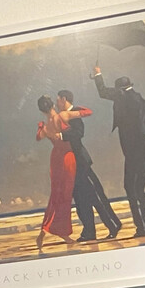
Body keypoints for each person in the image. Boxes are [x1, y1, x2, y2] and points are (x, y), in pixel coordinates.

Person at [92, 67, 145, 237]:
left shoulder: (123, 97)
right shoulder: (140, 99)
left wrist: (98, 74)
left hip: (134, 152)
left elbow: (103, 92)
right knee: (137, 189)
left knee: (132, 188)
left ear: (120, 90)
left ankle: (143, 228)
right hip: (143, 151)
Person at [55, 88, 121, 243]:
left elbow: (79, 133)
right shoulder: (67, 114)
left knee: (94, 195)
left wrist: (62, 135)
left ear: (64, 99)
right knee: (80, 198)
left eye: (58, 99)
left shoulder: (74, 113)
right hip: (73, 164)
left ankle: (112, 225)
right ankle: (89, 231)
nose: (57, 103)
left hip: (80, 162)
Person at [35, 96, 92, 251]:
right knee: (65, 196)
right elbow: (88, 112)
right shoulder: (63, 116)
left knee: (56, 195)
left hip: (55, 159)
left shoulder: (46, 126)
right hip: (67, 157)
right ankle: (61, 232)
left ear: (42, 110)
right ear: (53, 105)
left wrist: (41, 127)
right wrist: (72, 108)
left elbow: (38, 137)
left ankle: (46, 230)